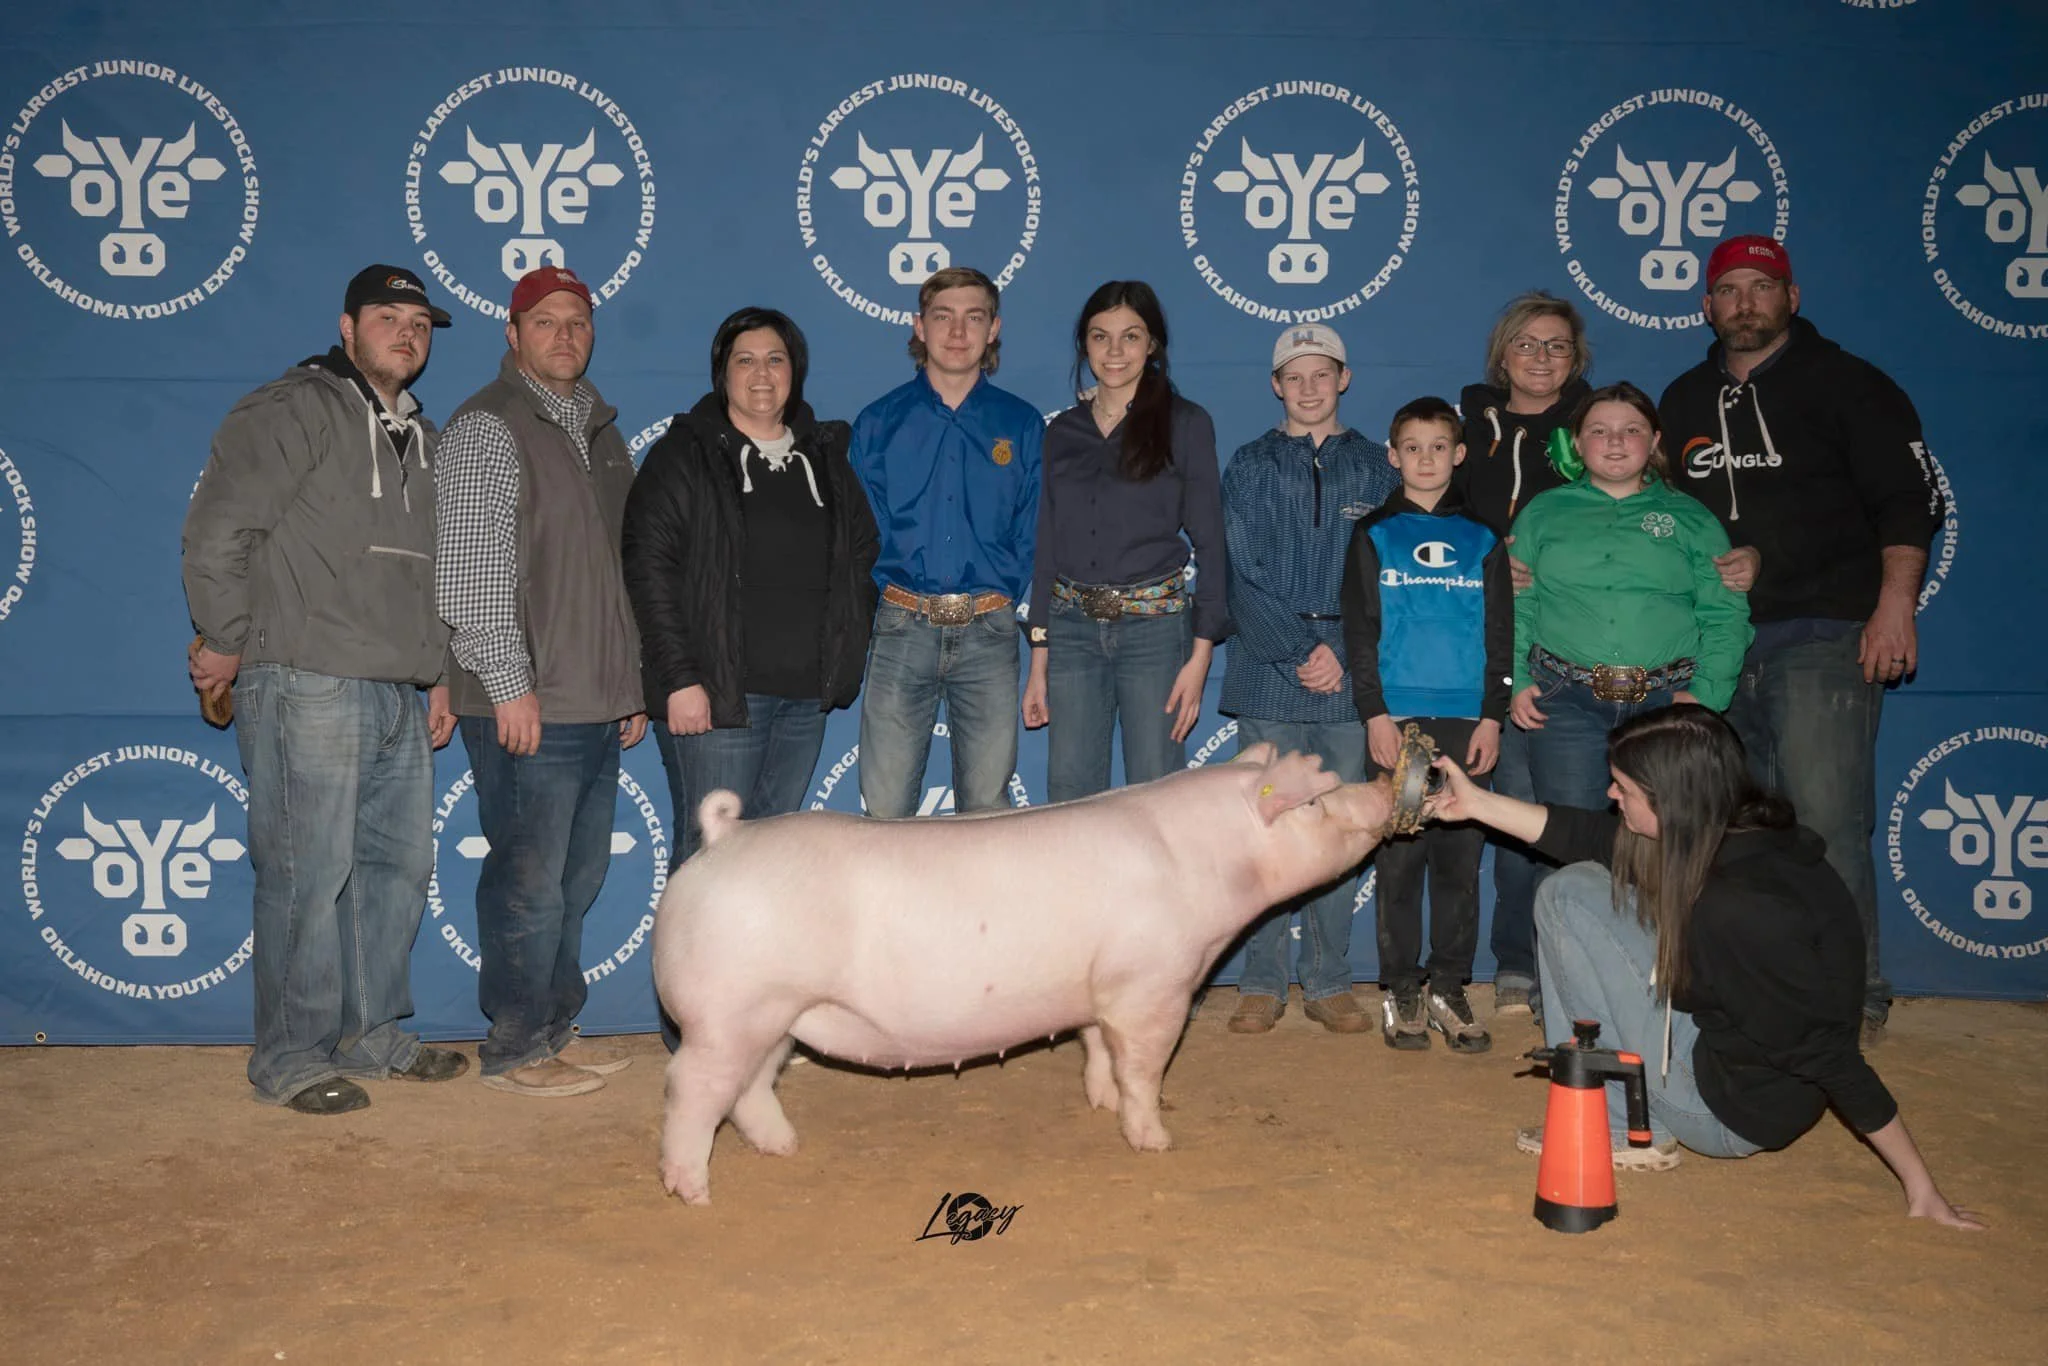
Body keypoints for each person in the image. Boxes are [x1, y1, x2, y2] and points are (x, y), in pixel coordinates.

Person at [1426, 705, 1983, 1230]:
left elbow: (1826, 1054)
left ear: (1669, 800)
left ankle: (1620, 1127)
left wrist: (1919, 1185)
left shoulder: (1738, 909)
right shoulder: (1740, 834)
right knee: (1579, 883)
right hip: (1733, 1048)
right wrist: (1474, 803)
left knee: (1563, 898)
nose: (1610, 794)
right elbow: (1588, 835)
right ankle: (1626, 1104)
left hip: (1728, 1110)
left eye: (1623, 787)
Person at [182, 263, 468, 1114]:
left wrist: (440, 671)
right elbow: (218, 531)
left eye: (419, 322)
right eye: (388, 316)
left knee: (394, 871)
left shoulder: (422, 433)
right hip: (307, 678)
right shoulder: (295, 407)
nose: (407, 332)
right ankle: (292, 1057)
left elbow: (433, 574)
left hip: (395, 690)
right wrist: (230, 642)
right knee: (309, 874)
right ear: (347, 328)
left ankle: (370, 1033)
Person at [1659, 235, 1944, 1045]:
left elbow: (1909, 502)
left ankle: (1854, 995)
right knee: (1741, 828)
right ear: (1706, 305)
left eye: (1762, 286)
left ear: (1792, 296)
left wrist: (1896, 606)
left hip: (1823, 635)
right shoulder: (1681, 401)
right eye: (1730, 290)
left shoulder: (1852, 386)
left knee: (1824, 817)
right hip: (1719, 649)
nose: (1745, 302)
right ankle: (1769, 981)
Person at [436, 265, 647, 1099]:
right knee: (529, 880)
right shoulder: (491, 426)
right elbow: (471, 571)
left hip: (593, 698)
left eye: (578, 321)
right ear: (513, 334)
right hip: (528, 702)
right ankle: (516, 1044)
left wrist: (628, 680)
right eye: (546, 320)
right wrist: (508, 682)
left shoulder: (598, 431)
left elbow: (616, 574)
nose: (566, 334)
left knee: (575, 879)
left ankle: (553, 1029)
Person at [623, 307, 878, 866]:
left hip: (804, 699)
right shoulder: (684, 455)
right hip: (717, 698)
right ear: (724, 374)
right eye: (745, 360)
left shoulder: (827, 456)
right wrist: (680, 678)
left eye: (775, 359)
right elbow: (648, 567)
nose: (761, 374)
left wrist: (842, 653)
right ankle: (687, 959)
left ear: (795, 371)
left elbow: (861, 555)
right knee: (710, 861)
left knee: (765, 866)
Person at [1220, 324, 1402, 1035]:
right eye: (1294, 376)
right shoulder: (1251, 464)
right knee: (1263, 827)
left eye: (1320, 374)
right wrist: (1299, 648)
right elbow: (1240, 569)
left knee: (1338, 825)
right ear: (1275, 385)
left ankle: (1328, 980)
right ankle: (1260, 980)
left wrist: (1341, 651)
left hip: (1351, 666)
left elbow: (1387, 573)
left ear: (1344, 378)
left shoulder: (1377, 469)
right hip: (1272, 666)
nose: (1308, 387)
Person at [1341, 396, 1512, 1053]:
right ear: (1393, 456)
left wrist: (1492, 717)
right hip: (1402, 725)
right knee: (1404, 858)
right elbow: (1361, 632)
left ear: (1459, 454)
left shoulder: (1484, 536)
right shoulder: (1376, 534)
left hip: (1467, 723)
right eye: (1411, 447)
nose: (1426, 458)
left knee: (1458, 865)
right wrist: (1375, 714)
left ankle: (1448, 984)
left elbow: (1502, 634)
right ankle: (1401, 989)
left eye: (1439, 446)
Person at [1021, 281, 1228, 799]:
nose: (1114, 352)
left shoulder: (1186, 423)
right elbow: (1047, 542)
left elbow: (1211, 540)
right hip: (1069, 633)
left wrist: (1200, 659)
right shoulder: (1062, 431)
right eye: (1100, 336)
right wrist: (1040, 657)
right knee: (1071, 798)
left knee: (1157, 797)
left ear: (1152, 344)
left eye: (1130, 336)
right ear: (1084, 345)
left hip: (1155, 634)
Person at [1508, 383, 1752, 817]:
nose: (1616, 441)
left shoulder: (1691, 518)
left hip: (1670, 701)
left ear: (1655, 440)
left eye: (1632, 429)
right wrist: (1517, 679)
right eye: (1599, 431)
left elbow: (1724, 613)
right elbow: (1517, 605)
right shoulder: (1541, 514)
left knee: (1670, 842)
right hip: (1563, 702)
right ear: (1578, 443)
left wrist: (1707, 694)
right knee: (1569, 838)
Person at [851, 266, 1043, 819]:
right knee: (885, 812)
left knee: (986, 811)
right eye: (943, 316)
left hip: (989, 630)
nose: (958, 332)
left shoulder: (1023, 424)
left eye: (973, 317)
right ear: (918, 326)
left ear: (994, 329)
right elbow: (865, 534)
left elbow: (1032, 528)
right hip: (901, 627)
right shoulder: (878, 423)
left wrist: (1000, 595)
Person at [1453, 291, 1594, 1018]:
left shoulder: (1595, 432)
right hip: (1489, 645)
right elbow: (1432, 515)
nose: (1541, 358)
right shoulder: (1464, 430)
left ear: (1577, 360)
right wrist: (1486, 558)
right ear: (1501, 354)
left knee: (1571, 815)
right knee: (1509, 809)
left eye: (1557, 346)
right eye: (1527, 344)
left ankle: (1567, 970)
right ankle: (1514, 960)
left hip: (1576, 642)